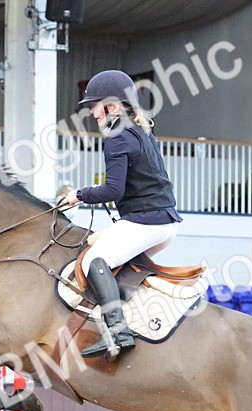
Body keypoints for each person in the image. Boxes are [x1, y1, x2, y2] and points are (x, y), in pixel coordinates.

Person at [62, 70, 183, 361]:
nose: (91, 111)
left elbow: (113, 190)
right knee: (102, 251)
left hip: (147, 221)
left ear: (113, 106)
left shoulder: (117, 134)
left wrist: (79, 195)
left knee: (94, 261)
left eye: (94, 105)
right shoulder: (139, 129)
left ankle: (119, 331)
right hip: (161, 221)